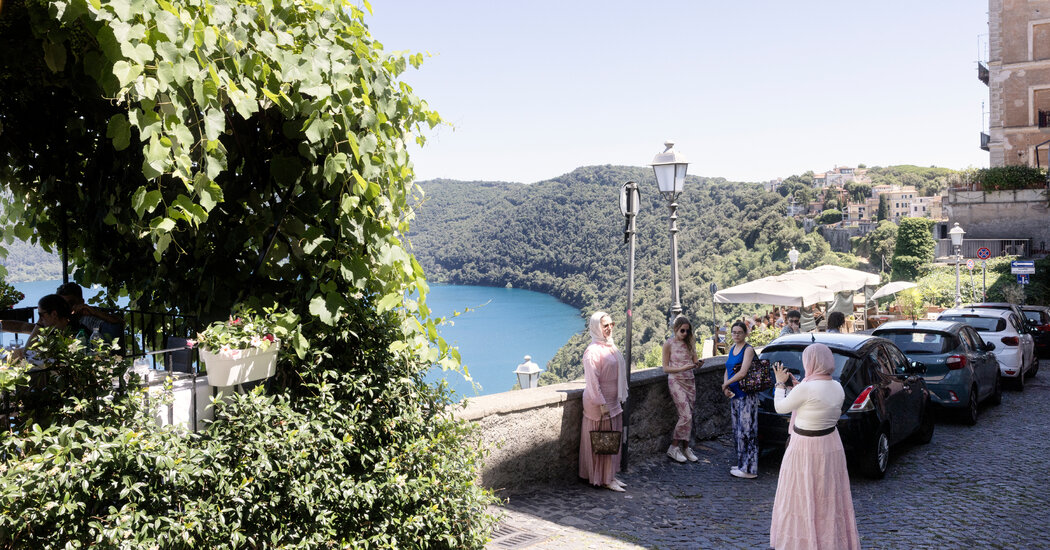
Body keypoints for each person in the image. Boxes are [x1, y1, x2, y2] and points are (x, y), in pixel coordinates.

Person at [770, 344, 860, 550]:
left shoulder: (806, 388)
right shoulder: (837, 386)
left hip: (805, 447)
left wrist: (780, 384)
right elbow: (817, 404)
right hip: (830, 444)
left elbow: (780, 407)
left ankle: (800, 542)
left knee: (800, 496)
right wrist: (798, 387)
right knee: (829, 497)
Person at [579, 311, 628, 492]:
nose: (609, 329)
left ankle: (610, 475)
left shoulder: (609, 346)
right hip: (600, 403)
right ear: (596, 328)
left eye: (610, 324)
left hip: (612, 400)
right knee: (603, 440)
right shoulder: (592, 352)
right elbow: (592, 381)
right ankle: (604, 478)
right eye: (604, 326)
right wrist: (602, 403)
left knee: (611, 439)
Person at [662, 315, 703, 463]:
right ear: (675, 329)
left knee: (689, 415)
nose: (685, 333)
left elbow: (694, 361)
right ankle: (673, 447)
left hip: (689, 380)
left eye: (687, 331)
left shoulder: (690, 343)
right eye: (682, 331)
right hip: (676, 381)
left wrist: (698, 364)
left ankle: (686, 447)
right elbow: (665, 368)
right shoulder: (668, 344)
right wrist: (682, 368)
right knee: (685, 415)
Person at [721, 320, 758, 479]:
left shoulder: (748, 350)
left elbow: (742, 373)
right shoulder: (732, 348)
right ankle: (742, 463)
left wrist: (725, 385)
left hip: (746, 395)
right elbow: (727, 368)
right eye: (734, 332)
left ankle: (750, 469)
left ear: (745, 333)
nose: (736, 335)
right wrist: (726, 386)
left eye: (739, 332)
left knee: (747, 431)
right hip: (735, 394)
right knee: (738, 431)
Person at [7, 294, 74, 362]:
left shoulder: (73, 332)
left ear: (54, 314)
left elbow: (27, 353)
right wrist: (38, 325)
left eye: (41, 315)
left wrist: (39, 324)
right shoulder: (54, 333)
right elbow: (28, 352)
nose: (40, 319)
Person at [56, 283, 123, 341]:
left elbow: (118, 322)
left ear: (81, 302)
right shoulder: (56, 318)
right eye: (63, 304)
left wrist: (95, 313)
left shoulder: (87, 317)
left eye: (71, 303)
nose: (67, 307)